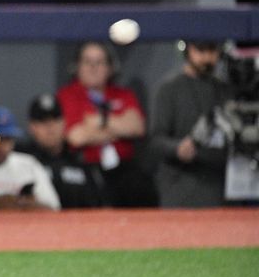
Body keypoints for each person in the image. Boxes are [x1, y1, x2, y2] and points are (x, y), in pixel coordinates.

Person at [56, 41, 156, 207]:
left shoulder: (123, 94)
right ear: (77, 67)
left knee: (141, 185)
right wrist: (117, 126)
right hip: (85, 167)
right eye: (87, 62)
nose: (93, 68)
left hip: (123, 170)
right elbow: (76, 137)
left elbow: (136, 127)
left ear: (110, 68)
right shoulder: (67, 95)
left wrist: (100, 121)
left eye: (99, 62)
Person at [151, 41, 233, 207]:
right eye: (200, 50)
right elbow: (156, 140)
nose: (207, 57)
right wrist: (178, 148)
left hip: (219, 184)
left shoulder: (225, 90)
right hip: (180, 184)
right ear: (187, 50)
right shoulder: (169, 89)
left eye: (212, 50)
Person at [19, 94, 106, 208]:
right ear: (32, 127)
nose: (50, 127)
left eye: (55, 119)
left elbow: (97, 204)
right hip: (35, 224)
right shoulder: (22, 160)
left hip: (79, 224)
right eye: (42, 121)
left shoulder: (80, 158)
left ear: (64, 122)